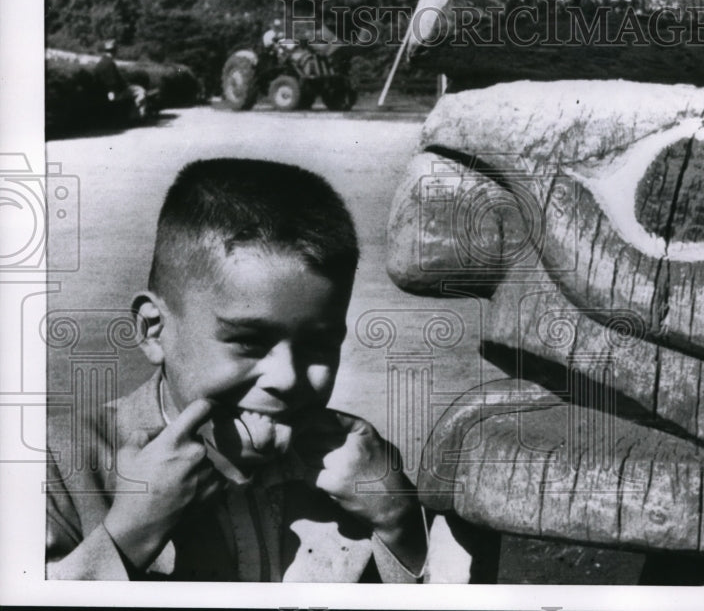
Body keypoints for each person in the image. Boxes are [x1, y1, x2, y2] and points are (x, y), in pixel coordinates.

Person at [46, 159, 427, 581]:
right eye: (250, 341)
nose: (287, 379)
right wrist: (130, 535)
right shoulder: (62, 467)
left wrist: (400, 523)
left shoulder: (360, 468)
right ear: (154, 331)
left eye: (318, 345)